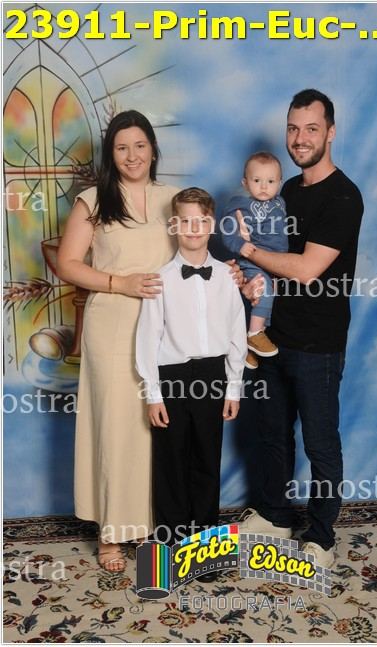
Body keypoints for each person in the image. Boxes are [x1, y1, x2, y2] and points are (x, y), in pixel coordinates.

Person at [57, 112, 243, 572]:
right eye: (121, 147)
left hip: (169, 333)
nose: (132, 155)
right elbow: (67, 264)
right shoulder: (93, 200)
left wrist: (231, 273)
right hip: (113, 326)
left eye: (140, 145)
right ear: (111, 154)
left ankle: (152, 526)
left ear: (153, 149)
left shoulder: (169, 200)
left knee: (157, 434)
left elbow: (196, 249)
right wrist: (118, 283)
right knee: (117, 430)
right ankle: (112, 532)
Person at [238, 89, 363, 569]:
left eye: (311, 128)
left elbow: (308, 269)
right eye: (293, 128)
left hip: (319, 344)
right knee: (271, 433)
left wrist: (249, 252)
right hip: (273, 336)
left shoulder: (344, 196)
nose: (300, 138)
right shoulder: (285, 189)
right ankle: (275, 515)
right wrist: (245, 277)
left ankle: (322, 537)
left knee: (320, 442)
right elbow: (269, 266)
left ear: (331, 132)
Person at [136, 187, 247, 581]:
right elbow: (148, 338)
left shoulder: (227, 277)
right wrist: (153, 394)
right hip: (172, 378)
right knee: (170, 462)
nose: (193, 228)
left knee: (206, 461)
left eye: (201, 221)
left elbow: (237, 333)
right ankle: (169, 550)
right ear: (174, 226)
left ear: (211, 224)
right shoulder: (160, 280)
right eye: (185, 221)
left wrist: (233, 387)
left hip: (213, 376)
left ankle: (205, 550)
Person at [221, 152, 287, 370]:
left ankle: (250, 350)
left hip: (276, 263)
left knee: (268, 303)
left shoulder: (280, 203)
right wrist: (240, 245)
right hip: (252, 261)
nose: (264, 187)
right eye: (257, 180)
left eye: (271, 181)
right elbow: (228, 232)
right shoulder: (240, 205)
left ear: (279, 183)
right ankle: (255, 334)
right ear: (245, 183)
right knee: (263, 291)